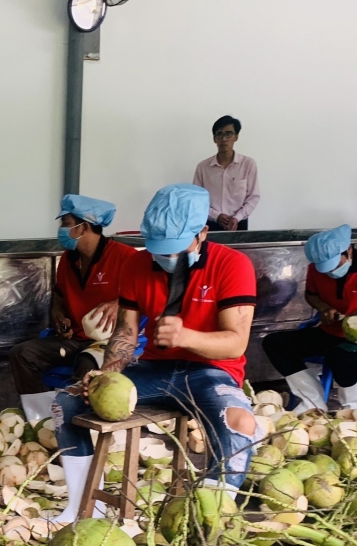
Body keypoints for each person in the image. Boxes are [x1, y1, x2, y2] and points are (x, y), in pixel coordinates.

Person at [51, 184, 258, 523]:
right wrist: (109, 374)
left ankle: (206, 519)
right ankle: (83, 509)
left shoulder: (232, 265)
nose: (166, 258)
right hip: (154, 372)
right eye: (159, 249)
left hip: (211, 373)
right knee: (66, 402)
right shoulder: (137, 265)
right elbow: (126, 332)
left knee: (241, 423)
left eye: (175, 249)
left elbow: (236, 343)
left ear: (203, 233)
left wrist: (186, 336)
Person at [8, 194, 135, 421]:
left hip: (107, 342)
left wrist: (119, 304)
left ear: (83, 227)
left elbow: (149, 295)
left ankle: (76, 425)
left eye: (65, 224)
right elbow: (59, 294)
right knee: (23, 354)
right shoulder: (68, 259)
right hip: (74, 339)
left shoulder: (125, 257)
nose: (61, 229)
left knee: (87, 367)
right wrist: (59, 314)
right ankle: (43, 420)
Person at [261, 225, 357, 412]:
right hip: (330, 330)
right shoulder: (316, 269)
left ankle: (353, 410)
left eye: (335, 264)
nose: (330, 271)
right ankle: (313, 403)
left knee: (339, 356)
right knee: (274, 343)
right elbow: (311, 295)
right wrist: (324, 308)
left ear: (349, 249)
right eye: (324, 268)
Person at [192, 116, 260, 231]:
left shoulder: (248, 164)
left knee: (236, 250)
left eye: (229, 134)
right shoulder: (203, 167)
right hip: (210, 223)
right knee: (210, 250)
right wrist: (216, 216)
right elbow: (196, 199)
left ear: (236, 137)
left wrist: (237, 218)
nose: (224, 139)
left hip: (238, 223)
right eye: (219, 134)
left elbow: (253, 197)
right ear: (214, 139)